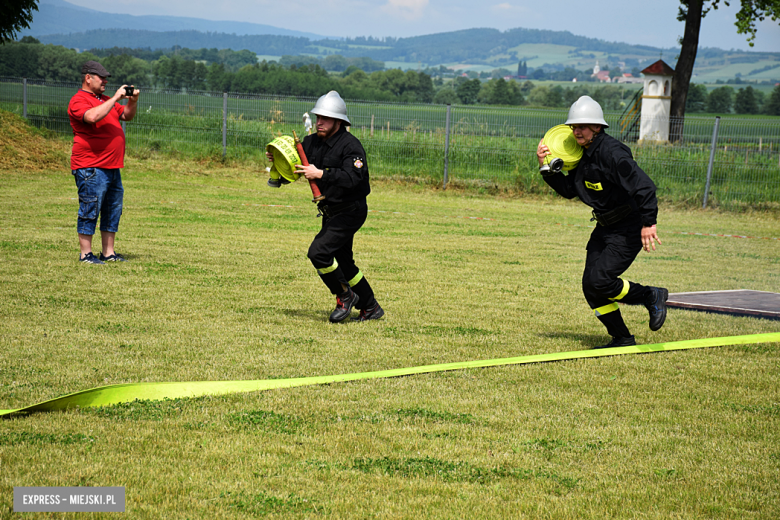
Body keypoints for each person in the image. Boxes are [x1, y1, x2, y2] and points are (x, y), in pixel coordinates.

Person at [536, 95, 668, 348]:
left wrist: (648, 223)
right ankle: (622, 338)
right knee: (591, 287)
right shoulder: (580, 154)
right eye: (574, 127)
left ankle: (651, 294)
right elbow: (569, 189)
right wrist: (545, 167)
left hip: (630, 226)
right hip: (605, 226)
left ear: (597, 127)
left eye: (582, 126)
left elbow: (645, 188)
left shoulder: (612, 153)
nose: (577, 132)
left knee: (600, 280)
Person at [267, 91, 383, 323]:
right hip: (330, 211)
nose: (319, 122)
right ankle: (370, 307)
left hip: (351, 210)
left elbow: (354, 178)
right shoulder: (310, 142)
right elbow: (296, 168)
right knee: (345, 263)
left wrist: (321, 173)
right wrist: (279, 161)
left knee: (319, 252)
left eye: (325, 118)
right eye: (318, 117)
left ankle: (345, 295)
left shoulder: (351, 146)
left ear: (338, 121)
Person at [67, 60, 139, 264]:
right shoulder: (79, 100)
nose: (105, 80)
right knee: (90, 209)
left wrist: (132, 101)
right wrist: (116, 96)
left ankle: (108, 253)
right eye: (101, 77)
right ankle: (86, 254)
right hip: (91, 166)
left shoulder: (104, 99)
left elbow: (126, 115)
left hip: (112, 166)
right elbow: (91, 117)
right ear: (88, 78)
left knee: (112, 210)